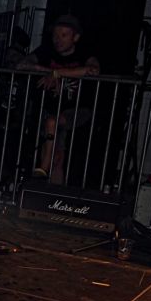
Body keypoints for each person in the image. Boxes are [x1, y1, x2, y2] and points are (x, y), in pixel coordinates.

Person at [17, 14, 100, 182]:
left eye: (64, 35)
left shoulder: (84, 53)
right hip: (49, 109)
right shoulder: (46, 51)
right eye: (55, 35)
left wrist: (58, 73)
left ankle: (43, 169)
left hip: (76, 110)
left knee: (52, 124)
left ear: (75, 37)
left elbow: (93, 70)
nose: (58, 40)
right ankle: (48, 187)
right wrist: (48, 71)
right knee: (57, 155)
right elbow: (22, 64)